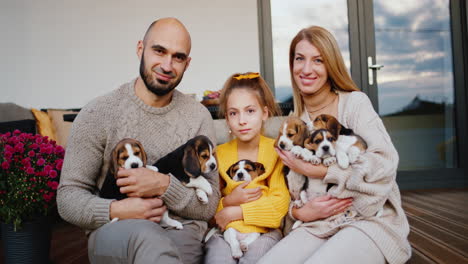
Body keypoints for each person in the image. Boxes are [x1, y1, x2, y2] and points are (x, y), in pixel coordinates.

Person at [57, 18, 220, 264]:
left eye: (177, 57)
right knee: (149, 240)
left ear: (187, 64)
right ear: (140, 49)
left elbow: (209, 205)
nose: (167, 65)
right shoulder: (98, 113)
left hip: (181, 230)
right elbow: (68, 198)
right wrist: (117, 209)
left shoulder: (198, 116)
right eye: (159, 51)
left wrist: (164, 185)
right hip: (116, 229)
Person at [258, 26, 411, 264]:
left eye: (318, 60)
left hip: (369, 220)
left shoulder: (354, 104)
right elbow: (288, 190)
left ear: (331, 65)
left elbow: (385, 161)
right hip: (318, 224)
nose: (306, 69)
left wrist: (321, 171)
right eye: (300, 58)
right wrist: (298, 212)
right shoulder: (296, 126)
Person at [204, 72, 290, 264]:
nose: (242, 120)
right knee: (217, 259)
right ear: (226, 118)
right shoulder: (218, 154)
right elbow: (208, 206)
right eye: (234, 113)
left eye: (250, 111)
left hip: (264, 231)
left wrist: (237, 211)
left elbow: (280, 204)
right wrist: (227, 203)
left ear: (264, 113)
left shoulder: (277, 151)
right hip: (226, 231)